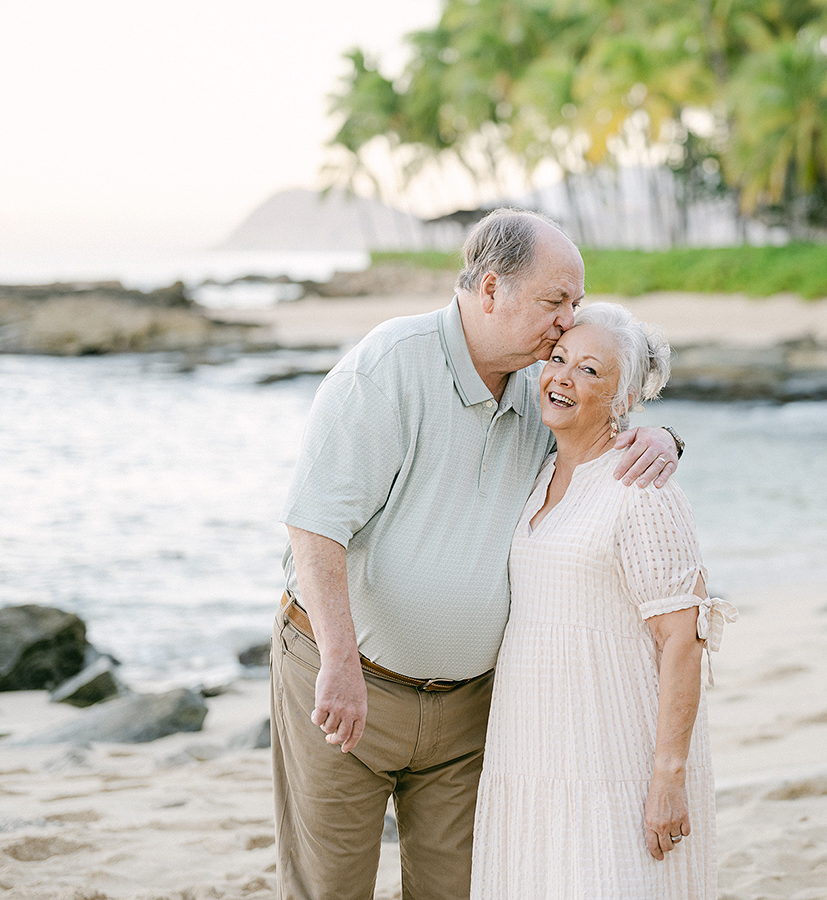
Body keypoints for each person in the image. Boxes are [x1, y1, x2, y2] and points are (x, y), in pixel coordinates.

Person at [270, 209, 684, 900]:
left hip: (466, 712)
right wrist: (340, 664)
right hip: (345, 685)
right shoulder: (387, 369)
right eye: (556, 302)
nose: (566, 322)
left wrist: (667, 436)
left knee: (459, 889)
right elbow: (315, 526)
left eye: (575, 304)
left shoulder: (540, 383)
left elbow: (606, 424)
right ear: (491, 289)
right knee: (328, 889)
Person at [470, 302, 737, 900]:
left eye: (591, 370)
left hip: (613, 752)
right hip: (534, 748)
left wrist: (668, 776)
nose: (563, 377)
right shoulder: (539, 473)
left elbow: (682, 640)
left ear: (626, 400)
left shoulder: (642, 490)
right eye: (559, 360)